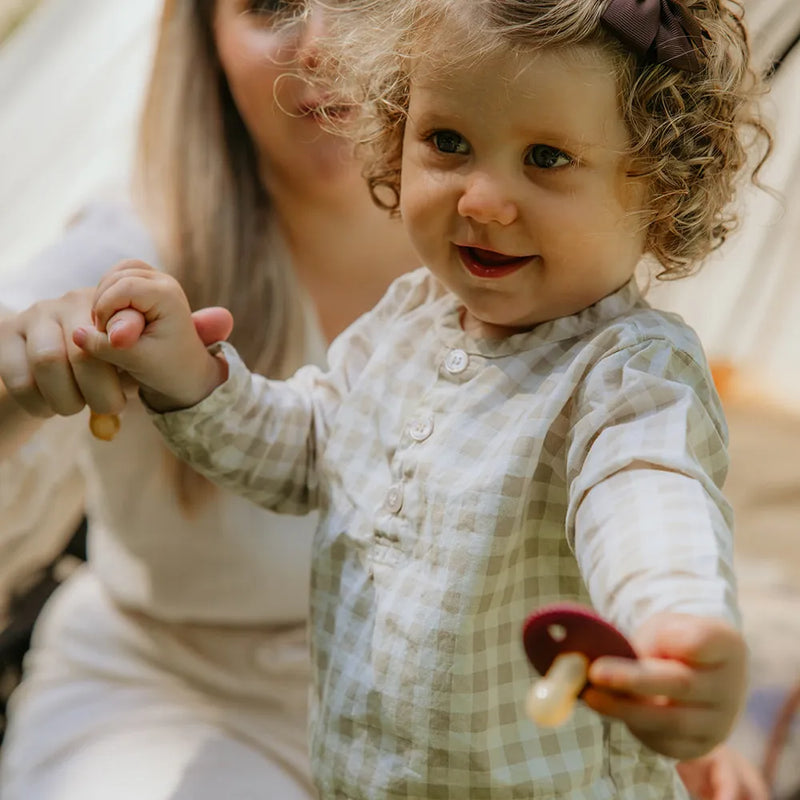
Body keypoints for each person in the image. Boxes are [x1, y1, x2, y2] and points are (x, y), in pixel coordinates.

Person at [61, 0, 773, 797]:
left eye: (545, 157)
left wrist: (672, 626)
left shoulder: (624, 373)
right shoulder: (410, 317)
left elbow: (647, 495)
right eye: (448, 142)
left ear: (660, 189)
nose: (481, 199)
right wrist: (189, 375)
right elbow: (306, 448)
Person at [0, 1, 417, 798]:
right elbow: (19, 321)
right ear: (207, 42)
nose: (319, 45)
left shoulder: (517, 245)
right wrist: (27, 358)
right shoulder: (143, 238)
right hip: (173, 700)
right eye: (270, 3)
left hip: (440, 718)